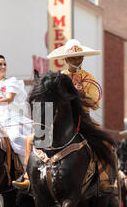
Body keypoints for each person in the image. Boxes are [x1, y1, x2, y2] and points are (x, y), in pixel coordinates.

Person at [13, 39, 110, 190]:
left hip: (83, 118)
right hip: (57, 119)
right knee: (29, 140)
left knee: (104, 141)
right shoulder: (57, 79)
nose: (77, 60)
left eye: (79, 57)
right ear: (66, 59)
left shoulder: (90, 79)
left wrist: (83, 96)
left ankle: (104, 179)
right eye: (73, 57)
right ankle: (27, 177)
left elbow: (96, 104)